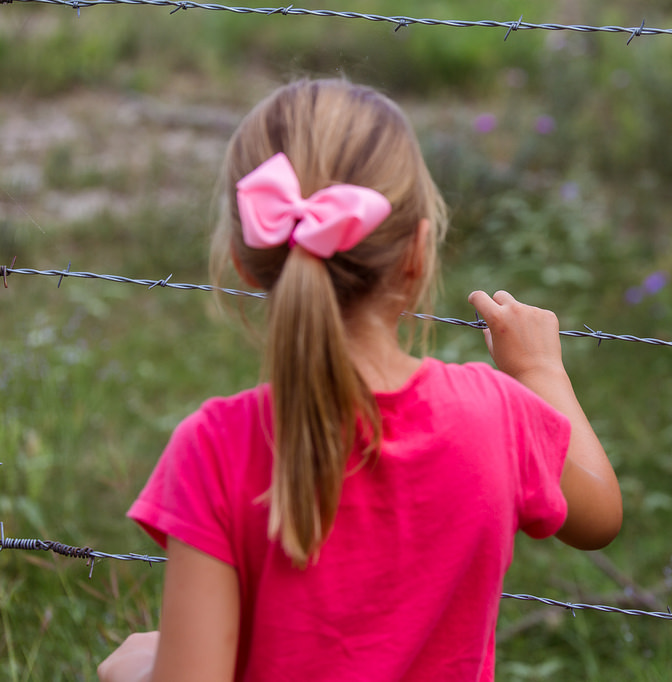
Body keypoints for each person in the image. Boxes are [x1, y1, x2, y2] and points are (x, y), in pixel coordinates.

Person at [97, 78, 621, 682]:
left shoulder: (214, 448)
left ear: (245, 263)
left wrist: (139, 670)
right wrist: (539, 369)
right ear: (419, 253)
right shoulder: (495, 416)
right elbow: (600, 516)